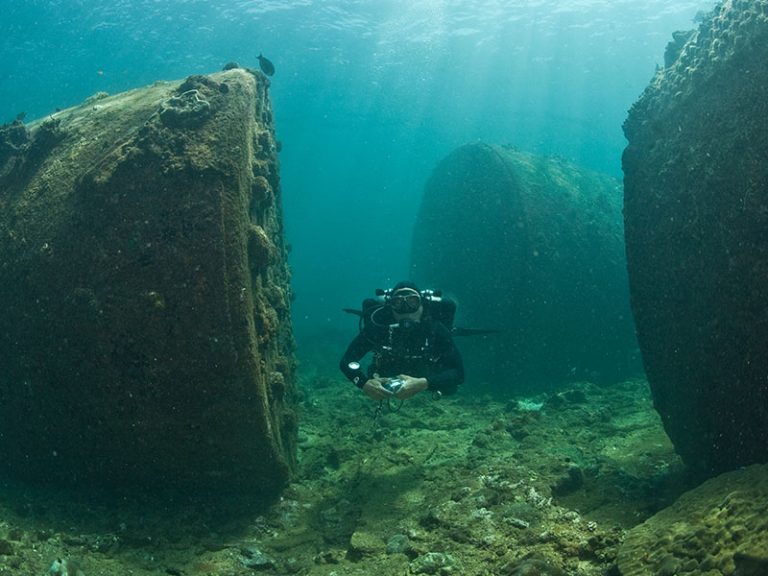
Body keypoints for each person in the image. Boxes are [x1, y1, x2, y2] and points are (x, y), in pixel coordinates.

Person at [340, 281, 464, 401]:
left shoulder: (435, 329)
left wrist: (424, 383)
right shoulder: (378, 328)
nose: (406, 310)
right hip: (387, 373)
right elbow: (347, 360)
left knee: (449, 388)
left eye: (412, 302)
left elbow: (459, 373)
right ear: (391, 307)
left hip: (427, 373)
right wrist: (364, 383)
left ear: (422, 304)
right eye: (398, 303)